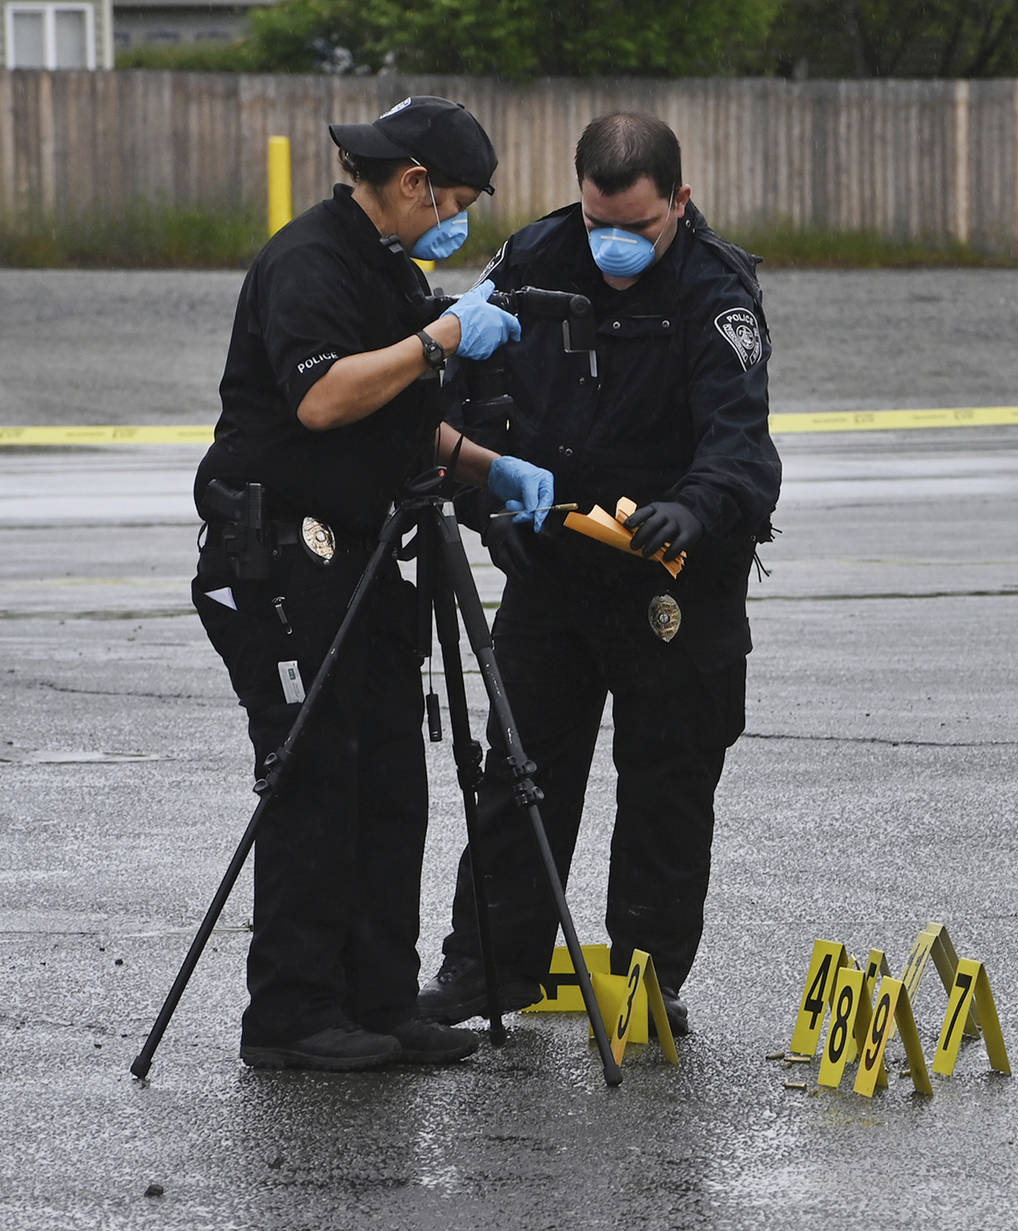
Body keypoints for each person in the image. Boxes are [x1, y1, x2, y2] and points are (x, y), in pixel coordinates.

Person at [192, 96, 557, 1070]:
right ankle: (293, 1015)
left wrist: (487, 468)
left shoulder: (388, 270)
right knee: (314, 777)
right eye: (458, 202)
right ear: (413, 184)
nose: (458, 222)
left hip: (357, 553)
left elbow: (395, 407)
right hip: (273, 552)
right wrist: (438, 340)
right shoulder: (309, 262)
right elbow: (323, 397)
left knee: (391, 774)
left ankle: (380, 999)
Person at [418, 112, 781, 1035]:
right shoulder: (535, 256)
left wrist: (694, 507)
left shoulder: (718, 289)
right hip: (552, 560)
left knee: (669, 776)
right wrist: (491, 506)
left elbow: (741, 446)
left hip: (672, 572)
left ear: (681, 202)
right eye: (597, 221)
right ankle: (489, 967)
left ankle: (648, 974)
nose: (615, 243)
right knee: (519, 771)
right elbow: (458, 395)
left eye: (639, 226)